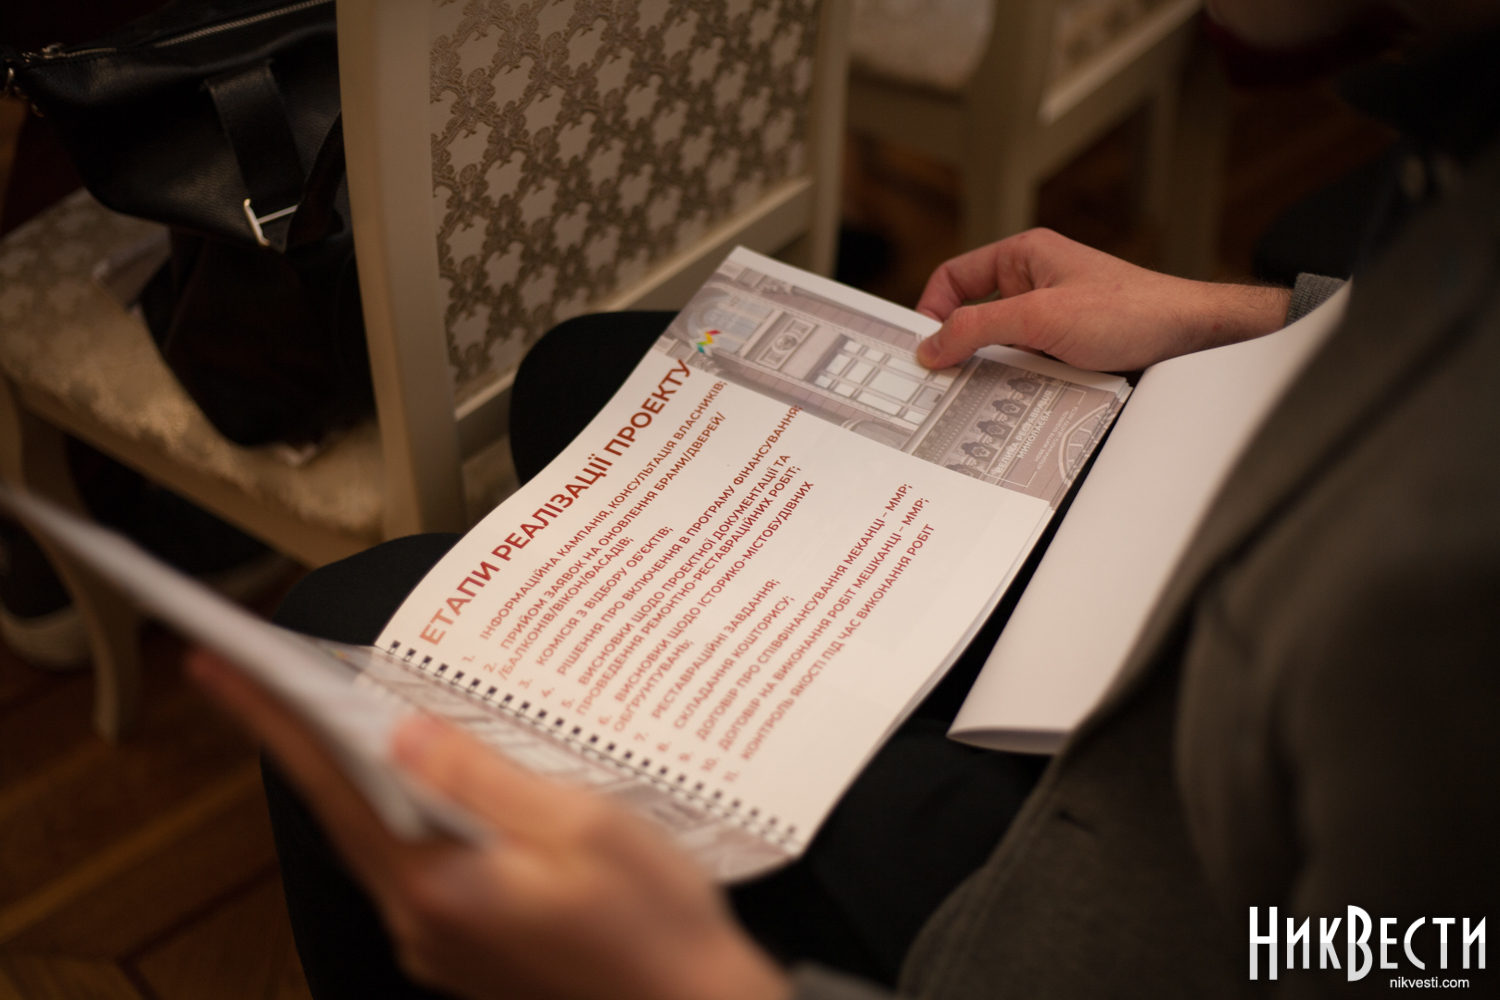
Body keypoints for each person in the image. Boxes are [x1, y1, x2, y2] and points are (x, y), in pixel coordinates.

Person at [192, 0, 1500, 997]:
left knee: (349, 640)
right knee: (580, 375)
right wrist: (1228, 316)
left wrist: (689, 980)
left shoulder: (1443, 596)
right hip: (1210, 542)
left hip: (1107, 891)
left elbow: (1406, 952)